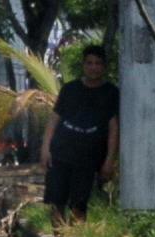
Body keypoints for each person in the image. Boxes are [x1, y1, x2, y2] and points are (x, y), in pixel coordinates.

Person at [40, 45, 119, 222]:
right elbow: (54, 120)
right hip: (61, 152)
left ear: (104, 66)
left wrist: (109, 161)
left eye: (98, 63)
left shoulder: (111, 93)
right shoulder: (70, 89)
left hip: (89, 157)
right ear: (83, 65)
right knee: (57, 200)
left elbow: (113, 128)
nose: (93, 67)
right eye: (89, 63)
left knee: (79, 202)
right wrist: (45, 149)